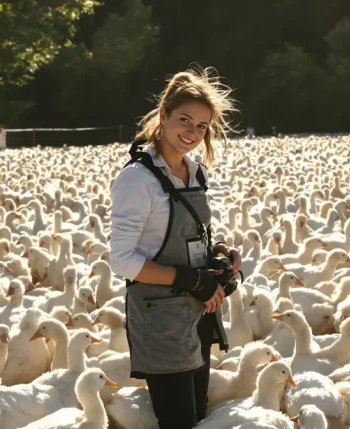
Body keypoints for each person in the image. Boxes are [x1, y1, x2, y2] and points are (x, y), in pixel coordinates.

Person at [109, 67, 241, 429]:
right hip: (160, 318)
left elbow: (191, 236)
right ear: (163, 115)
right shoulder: (138, 179)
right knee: (179, 422)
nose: (192, 133)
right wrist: (187, 278)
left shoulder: (196, 172)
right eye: (185, 120)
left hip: (198, 312)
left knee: (197, 417)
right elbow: (120, 259)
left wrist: (218, 259)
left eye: (201, 127)